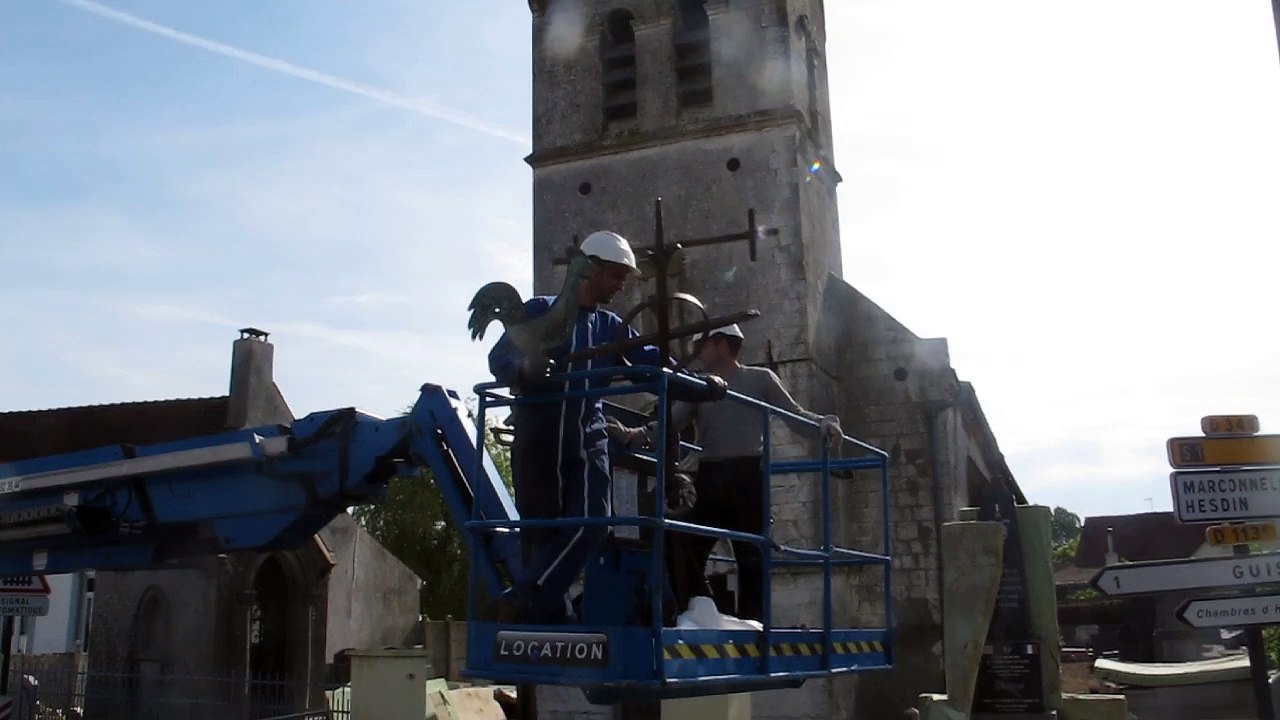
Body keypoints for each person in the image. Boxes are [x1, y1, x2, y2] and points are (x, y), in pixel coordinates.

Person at [487, 230, 723, 624]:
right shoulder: (539, 311)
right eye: (615, 276)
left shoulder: (611, 328)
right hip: (539, 436)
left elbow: (649, 365)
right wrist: (524, 370)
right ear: (590, 270)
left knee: (593, 521)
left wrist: (701, 386)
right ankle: (549, 612)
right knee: (541, 531)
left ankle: (529, 595)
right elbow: (501, 358)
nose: (620, 286)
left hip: (587, 434)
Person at [607, 323, 842, 622]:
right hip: (711, 476)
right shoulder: (701, 387)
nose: (696, 354)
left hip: (747, 477)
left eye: (701, 345)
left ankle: (754, 626)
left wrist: (824, 424)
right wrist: (633, 435)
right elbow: (670, 423)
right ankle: (701, 607)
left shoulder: (760, 380)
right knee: (677, 540)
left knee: (751, 557)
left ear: (720, 344)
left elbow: (794, 415)